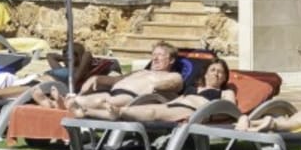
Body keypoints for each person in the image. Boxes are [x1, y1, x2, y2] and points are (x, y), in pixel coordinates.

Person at [70, 57, 228, 123]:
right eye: (213, 70)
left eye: (220, 72)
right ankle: (87, 112)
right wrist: (166, 102)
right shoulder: (194, 88)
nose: (216, 74)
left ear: (224, 77)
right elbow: (178, 99)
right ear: (205, 73)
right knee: (140, 109)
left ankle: (115, 112)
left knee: (152, 113)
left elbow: (229, 109)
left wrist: (206, 116)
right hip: (174, 105)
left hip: (192, 111)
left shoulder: (225, 91)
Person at [62, 43, 185, 117]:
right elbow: (116, 79)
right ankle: (69, 105)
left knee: (97, 101)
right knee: (89, 99)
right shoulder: (141, 72)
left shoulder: (172, 75)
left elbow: (176, 84)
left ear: (171, 60)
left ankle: (70, 104)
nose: (155, 58)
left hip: (133, 99)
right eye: (153, 55)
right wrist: (97, 78)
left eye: (160, 55)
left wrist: (156, 86)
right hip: (112, 93)